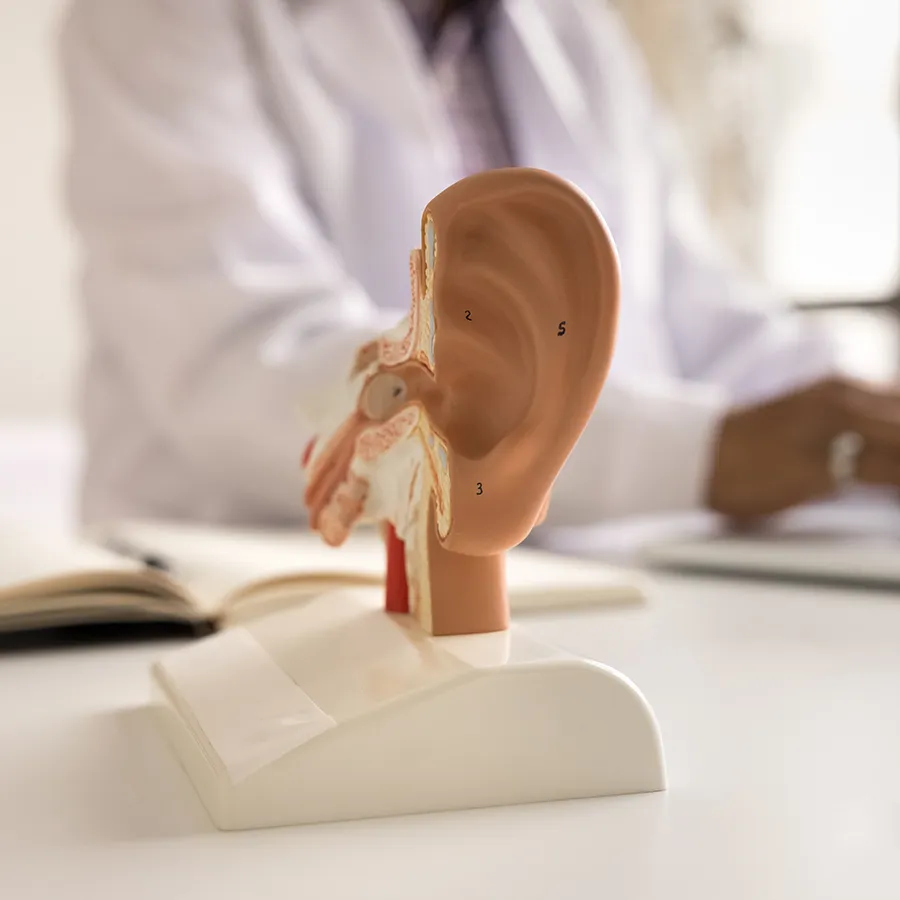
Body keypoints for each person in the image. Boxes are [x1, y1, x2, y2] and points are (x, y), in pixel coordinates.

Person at [58, 0, 899, 532]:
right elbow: (249, 368)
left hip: (596, 579)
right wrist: (703, 455)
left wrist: (857, 420)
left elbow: (699, 319)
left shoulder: (574, 33)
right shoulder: (159, 18)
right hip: (252, 591)